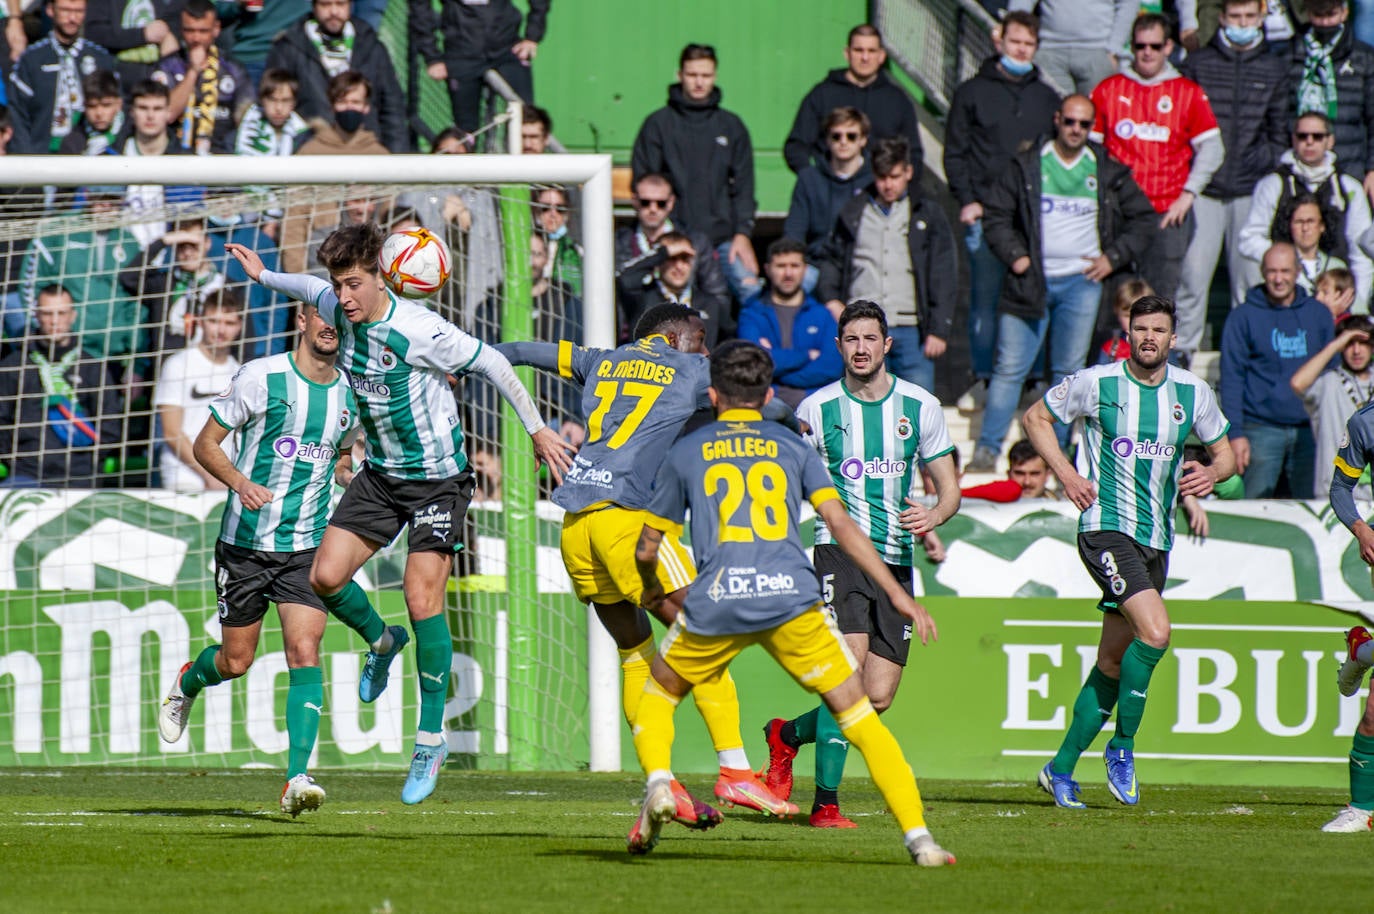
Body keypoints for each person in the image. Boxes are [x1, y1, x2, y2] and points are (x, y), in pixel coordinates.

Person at [226, 224, 573, 805]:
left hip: (439, 481)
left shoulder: (420, 329)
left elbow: (494, 365)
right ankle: (381, 643)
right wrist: (263, 275)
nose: (346, 296)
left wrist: (537, 431)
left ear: (384, 276)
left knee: (421, 598)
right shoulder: (335, 305)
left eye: (355, 283)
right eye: (340, 285)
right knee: (325, 577)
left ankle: (430, 738)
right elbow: (305, 287)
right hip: (382, 476)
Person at [628, 338, 954, 866]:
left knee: (659, 695)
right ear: (769, 394)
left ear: (713, 395)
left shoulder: (688, 451)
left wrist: (650, 584)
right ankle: (921, 840)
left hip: (718, 601)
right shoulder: (795, 448)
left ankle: (661, 784)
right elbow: (842, 524)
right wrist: (896, 591)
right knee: (860, 718)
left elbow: (649, 544)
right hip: (791, 601)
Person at [496, 304, 799, 825]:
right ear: (677, 338)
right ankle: (735, 771)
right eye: (700, 340)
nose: (704, 351)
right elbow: (760, 408)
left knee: (636, 654)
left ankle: (664, 784)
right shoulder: (690, 368)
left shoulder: (600, 359)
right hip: (627, 523)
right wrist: (798, 423)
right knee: (705, 633)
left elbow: (519, 353)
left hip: (576, 526)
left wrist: (461, 362)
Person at [157, 298, 389, 818]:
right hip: (243, 544)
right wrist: (239, 482)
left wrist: (350, 474)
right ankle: (189, 680)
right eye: (320, 315)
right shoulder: (262, 377)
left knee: (305, 651)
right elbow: (205, 443)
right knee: (236, 661)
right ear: (302, 320)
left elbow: (342, 453)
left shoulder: (352, 393)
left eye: (339, 318)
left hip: (304, 545)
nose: (331, 326)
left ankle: (296, 777)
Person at [1024, 294, 1234, 809]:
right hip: (1106, 528)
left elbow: (1226, 453)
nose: (1148, 338)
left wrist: (1212, 472)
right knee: (1156, 632)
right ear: (1128, 333)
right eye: (1140, 328)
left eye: (1158, 330)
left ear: (1173, 338)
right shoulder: (1096, 382)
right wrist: (1069, 474)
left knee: (1113, 663)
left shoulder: (1193, 391)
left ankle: (1060, 769)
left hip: (1157, 538)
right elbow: (1035, 418)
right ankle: (1122, 747)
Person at [760, 301, 959, 829]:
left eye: (871, 338)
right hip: (838, 552)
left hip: (895, 559)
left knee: (876, 697)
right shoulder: (818, 410)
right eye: (852, 339)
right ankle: (825, 805)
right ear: (840, 346)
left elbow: (950, 489)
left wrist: (934, 514)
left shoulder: (921, 406)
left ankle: (785, 736)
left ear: (888, 344)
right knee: (844, 675)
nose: (862, 348)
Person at [971, 93, 1156, 471]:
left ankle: (1053, 458)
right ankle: (986, 452)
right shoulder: (1027, 164)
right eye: (1069, 121)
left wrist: (1112, 258)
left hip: (1081, 283)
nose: (1075, 130)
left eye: (1084, 124)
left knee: (1068, 375)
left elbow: (1143, 218)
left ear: (1092, 128)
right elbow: (996, 216)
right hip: (1030, 281)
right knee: (1009, 369)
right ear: (1057, 119)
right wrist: (1017, 257)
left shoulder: (1104, 168)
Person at [944, 11, 1061, 412]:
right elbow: (955, 152)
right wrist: (967, 200)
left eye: (1028, 45)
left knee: (1035, 298)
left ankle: (1033, 379)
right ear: (999, 42)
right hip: (985, 216)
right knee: (985, 302)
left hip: (1032, 219)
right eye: (1015, 43)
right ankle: (984, 378)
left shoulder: (1047, 98)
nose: (1021, 50)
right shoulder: (972, 92)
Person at [1173, 0, 1290, 364]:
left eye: (1249, 18)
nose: (1242, 24)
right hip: (1205, 190)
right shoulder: (1198, 64)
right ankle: (1179, 360)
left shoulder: (1274, 68)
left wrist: (1258, 164)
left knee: (1249, 284)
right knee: (1192, 280)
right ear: (1222, 18)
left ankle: (1245, 361)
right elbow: (1181, 125)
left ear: (1261, 19)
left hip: (1249, 190)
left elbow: (1279, 131)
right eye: (1235, 17)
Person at [1090, 13, 1224, 304]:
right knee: (1112, 302)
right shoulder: (1108, 89)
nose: (1147, 52)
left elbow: (1213, 148)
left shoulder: (1187, 92)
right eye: (1140, 46)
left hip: (1165, 214)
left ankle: (1160, 352)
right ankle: (1114, 352)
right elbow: (1090, 149)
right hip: (1118, 214)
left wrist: (1188, 195)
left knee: (1159, 304)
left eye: (1154, 45)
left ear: (1168, 47)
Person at [815, 136, 957, 393]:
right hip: (862, 326)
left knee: (918, 407)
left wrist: (939, 328)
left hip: (912, 326)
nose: (888, 185)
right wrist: (830, 298)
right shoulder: (854, 211)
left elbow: (943, 271)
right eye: (882, 177)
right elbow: (830, 258)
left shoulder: (926, 212)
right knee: (863, 401)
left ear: (908, 172)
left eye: (894, 176)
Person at [631, 43, 759, 305]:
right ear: (680, 75)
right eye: (692, 75)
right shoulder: (658, 124)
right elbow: (646, 183)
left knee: (752, 292)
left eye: (706, 75)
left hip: (723, 240)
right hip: (672, 239)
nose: (699, 82)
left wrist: (743, 235)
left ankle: (746, 348)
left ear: (715, 76)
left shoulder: (731, 126)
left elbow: (744, 187)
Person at [1220, 243, 1337, 498]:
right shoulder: (1243, 316)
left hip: (1311, 429)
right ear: (1262, 272)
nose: (1278, 278)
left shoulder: (1318, 314)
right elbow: (1231, 378)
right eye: (1272, 271)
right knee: (1253, 509)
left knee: (1313, 508)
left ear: (1297, 272)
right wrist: (1235, 434)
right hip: (1260, 428)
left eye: (1285, 271)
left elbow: (1333, 373)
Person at [1240, 113, 1374, 311]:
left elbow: (1360, 252)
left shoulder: (1349, 187)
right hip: (1285, 292)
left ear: (1330, 141)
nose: (1309, 142)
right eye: (1303, 136)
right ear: (1293, 139)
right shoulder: (1273, 184)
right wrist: (1287, 264)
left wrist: (1356, 302)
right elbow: (1249, 239)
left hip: (1336, 291)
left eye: (1317, 136)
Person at [0, 284, 123, 487]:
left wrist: (89, 460)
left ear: (72, 316)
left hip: (80, 473)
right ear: (36, 316)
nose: (54, 321)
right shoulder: (14, 365)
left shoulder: (91, 367)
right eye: (47, 314)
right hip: (27, 473)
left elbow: (110, 425)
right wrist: (15, 459)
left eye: (61, 313)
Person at [280, 71, 390, 274]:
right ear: (332, 105)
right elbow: (295, 221)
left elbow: (389, 215)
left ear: (366, 107)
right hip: (322, 260)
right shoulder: (310, 152)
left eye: (356, 102)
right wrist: (296, 280)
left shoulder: (380, 155)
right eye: (343, 101)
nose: (349, 108)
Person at [20, 185, 142, 364]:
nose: (106, 206)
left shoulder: (130, 243)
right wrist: (46, 330)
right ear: (87, 196)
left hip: (113, 355)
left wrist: (134, 360)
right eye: (101, 199)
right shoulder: (58, 230)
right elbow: (30, 285)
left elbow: (138, 304)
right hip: (63, 349)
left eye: (113, 201)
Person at [266, 0, 407, 152]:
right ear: (314, 6)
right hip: (313, 150)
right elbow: (276, 101)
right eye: (325, 5)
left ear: (350, 5)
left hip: (365, 150)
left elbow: (392, 108)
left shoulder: (371, 46)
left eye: (340, 4)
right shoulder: (289, 47)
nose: (333, 12)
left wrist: (396, 159)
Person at [1325, 396, 1374, 831]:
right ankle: (1361, 808)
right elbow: (1340, 487)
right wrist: (1360, 528)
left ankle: (1363, 650)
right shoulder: (1365, 423)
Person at [783, 24, 922, 175]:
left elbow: (913, 153)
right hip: (832, 191)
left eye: (871, 51)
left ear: (881, 56)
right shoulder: (823, 94)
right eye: (858, 50)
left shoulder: (897, 101)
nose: (865, 57)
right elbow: (796, 147)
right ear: (847, 53)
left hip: (880, 192)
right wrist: (814, 181)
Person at [409, 0, 546, 136]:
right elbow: (420, 7)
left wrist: (532, 36)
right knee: (465, 132)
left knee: (526, 121)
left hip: (507, 48)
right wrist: (432, 56)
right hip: (461, 53)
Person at [154, 289, 244, 493]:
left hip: (228, 480)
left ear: (239, 326)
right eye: (214, 321)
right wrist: (209, 475)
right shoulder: (178, 364)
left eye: (229, 323)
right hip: (184, 477)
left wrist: (228, 477)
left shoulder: (240, 372)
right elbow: (171, 432)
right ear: (200, 321)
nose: (221, 330)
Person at [736, 238, 841, 409]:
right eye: (781, 266)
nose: (788, 273)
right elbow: (753, 365)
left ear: (805, 269)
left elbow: (831, 368)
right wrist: (806, 356)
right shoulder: (752, 314)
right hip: (766, 406)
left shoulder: (822, 315)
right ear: (767, 269)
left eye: (794, 266)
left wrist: (775, 367)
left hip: (814, 406)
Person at [1290, 0, 1374, 201]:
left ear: (1344, 13)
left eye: (1331, 15)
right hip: (1300, 167)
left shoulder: (1364, 57)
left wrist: (1372, 167)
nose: (1325, 23)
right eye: (1319, 16)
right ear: (1309, 15)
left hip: (1350, 165)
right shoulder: (1292, 55)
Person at [782, 106, 873, 291]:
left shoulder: (874, 180)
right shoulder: (809, 178)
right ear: (827, 140)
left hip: (861, 264)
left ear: (863, 140)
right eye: (836, 136)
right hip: (817, 264)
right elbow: (794, 233)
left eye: (851, 136)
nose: (843, 142)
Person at [7, 0, 116, 153]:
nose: (72, 18)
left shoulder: (100, 58)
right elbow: (18, 113)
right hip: (40, 156)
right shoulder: (32, 59)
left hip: (90, 157)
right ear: (51, 10)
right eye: (65, 10)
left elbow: (118, 108)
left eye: (78, 11)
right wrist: (26, 157)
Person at [151, 0, 253, 155]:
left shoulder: (233, 68)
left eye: (203, 31)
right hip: (176, 156)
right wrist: (193, 71)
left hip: (222, 155)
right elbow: (168, 114)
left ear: (216, 29)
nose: (196, 38)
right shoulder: (168, 66)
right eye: (189, 30)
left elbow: (247, 119)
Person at [120, 216, 229, 359]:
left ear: (207, 243)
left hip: (212, 367)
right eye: (181, 245)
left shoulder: (226, 286)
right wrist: (163, 241)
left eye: (194, 245)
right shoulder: (162, 283)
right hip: (166, 368)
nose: (188, 253)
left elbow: (244, 338)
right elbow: (129, 278)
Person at [1290, 313, 1374, 496]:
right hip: (1336, 496)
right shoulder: (1328, 382)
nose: (1357, 351)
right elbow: (1298, 383)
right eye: (1350, 344)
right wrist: (1335, 345)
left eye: (1363, 343)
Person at [613, 172, 726, 301]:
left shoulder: (697, 242)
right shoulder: (617, 243)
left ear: (671, 202)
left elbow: (717, 293)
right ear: (635, 201)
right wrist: (662, 254)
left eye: (661, 203)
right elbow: (616, 286)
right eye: (645, 202)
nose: (653, 209)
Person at [616, 231, 732, 349]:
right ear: (658, 262)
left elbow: (729, 342)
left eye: (685, 258)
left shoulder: (710, 303)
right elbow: (624, 278)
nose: (679, 266)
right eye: (672, 258)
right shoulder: (641, 298)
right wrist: (663, 252)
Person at [1004, 0, 1139, 95]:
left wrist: (1114, 48)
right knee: (1049, 112)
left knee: (1094, 119)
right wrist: (1014, 32)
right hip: (1050, 51)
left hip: (1098, 52)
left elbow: (1128, 3)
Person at [56, 68, 122, 155]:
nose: (99, 113)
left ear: (119, 104)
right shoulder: (72, 142)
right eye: (92, 106)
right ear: (84, 105)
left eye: (106, 105)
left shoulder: (132, 132)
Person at [532, 185, 582, 297]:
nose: (553, 214)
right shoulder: (524, 246)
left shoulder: (574, 250)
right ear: (535, 210)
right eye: (545, 208)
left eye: (559, 209)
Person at [1100, 278, 1154, 364]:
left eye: (1139, 315)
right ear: (1117, 312)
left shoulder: (1159, 347)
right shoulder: (1112, 349)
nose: (1134, 321)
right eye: (1127, 316)